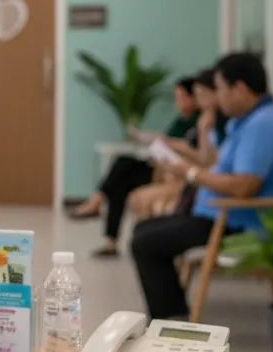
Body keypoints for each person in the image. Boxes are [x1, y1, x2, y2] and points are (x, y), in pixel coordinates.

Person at [131, 53, 273, 319]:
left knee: (146, 242)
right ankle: (173, 314)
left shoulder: (263, 125)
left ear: (241, 88)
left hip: (237, 224)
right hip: (219, 215)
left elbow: (244, 187)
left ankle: (172, 320)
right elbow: (221, 167)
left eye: (221, 88)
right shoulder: (247, 121)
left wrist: (190, 173)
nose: (218, 96)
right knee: (144, 230)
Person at [69, 77, 199, 257]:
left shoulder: (198, 123)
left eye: (181, 97)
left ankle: (97, 202)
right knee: (119, 177)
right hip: (160, 165)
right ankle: (109, 239)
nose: (178, 102)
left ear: (194, 97)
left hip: (170, 173)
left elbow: (191, 150)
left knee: (121, 170)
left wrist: (168, 143)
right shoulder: (180, 120)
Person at [128, 69, 229, 221]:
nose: (199, 101)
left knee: (150, 203)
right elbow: (205, 159)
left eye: (202, 95)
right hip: (191, 176)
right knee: (137, 197)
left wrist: (185, 150)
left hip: (201, 181)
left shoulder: (222, 124)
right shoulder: (202, 121)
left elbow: (208, 163)